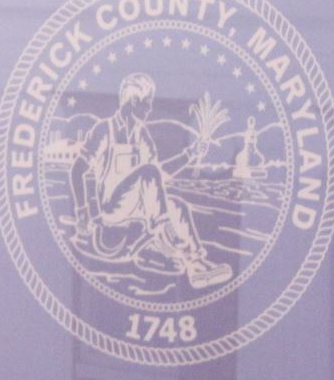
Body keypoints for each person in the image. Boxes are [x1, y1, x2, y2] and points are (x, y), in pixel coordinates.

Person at [69, 72, 231, 290]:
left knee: (178, 206)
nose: (150, 109)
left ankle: (195, 263)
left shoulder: (141, 134)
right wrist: (83, 213)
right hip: (110, 208)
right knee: (148, 173)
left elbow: (158, 178)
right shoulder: (103, 130)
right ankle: (170, 241)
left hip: (138, 210)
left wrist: (189, 154)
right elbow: (77, 170)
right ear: (134, 101)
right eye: (148, 103)